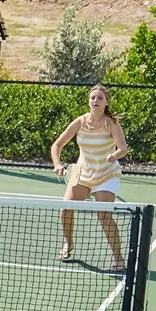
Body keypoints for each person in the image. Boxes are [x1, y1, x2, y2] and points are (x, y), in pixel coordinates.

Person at [49, 84, 128, 270]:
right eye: (93, 98)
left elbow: (123, 148)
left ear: (106, 102)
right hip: (82, 172)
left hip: (106, 173)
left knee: (104, 215)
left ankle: (118, 259)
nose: (95, 101)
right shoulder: (80, 122)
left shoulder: (112, 123)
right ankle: (69, 243)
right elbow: (57, 145)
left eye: (100, 98)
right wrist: (57, 164)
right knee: (66, 209)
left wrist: (113, 156)